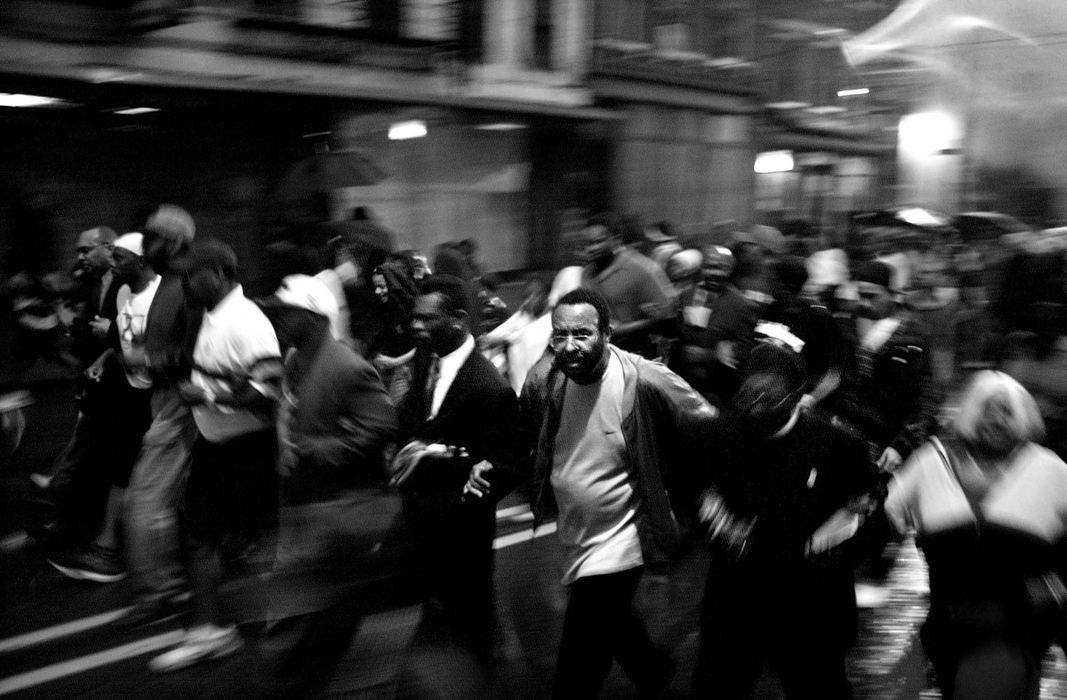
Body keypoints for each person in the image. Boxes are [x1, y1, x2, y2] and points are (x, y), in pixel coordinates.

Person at [512, 287, 718, 699]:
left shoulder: (644, 380)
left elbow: (711, 429)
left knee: (580, 658)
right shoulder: (545, 379)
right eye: (559, 335)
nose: (568, 347)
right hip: (577, 533)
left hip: (626, 538)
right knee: (612, 619)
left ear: (607, 332)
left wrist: (698, 501)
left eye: (582, 334)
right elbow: (520, 435)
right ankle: (653, 670)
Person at [691, 337, 878, 698]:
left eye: (769, 400)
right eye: (750, 398)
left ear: (796, 396)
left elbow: (867, 506)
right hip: (737, 596)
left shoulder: (837, 446)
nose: (757, 409)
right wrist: (722, 531)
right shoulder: (716, 436)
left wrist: (831, 552)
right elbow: (697, 494)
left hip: (811, 602)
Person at [257, 274, 403, 697]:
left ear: (316, 317)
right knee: (311, 594)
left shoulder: (347, 367)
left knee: (321, 599)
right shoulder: (296, 359)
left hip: (338, 503)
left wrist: (317, 449)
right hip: (306, 499)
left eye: (287, 314)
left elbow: (381, 427)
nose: (279, 321)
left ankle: (304, 675)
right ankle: (300, 669)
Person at [885, 371, 1067, 699]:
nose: (997, 420)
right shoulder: (932, 461)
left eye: (1007, 411)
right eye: (988, 409)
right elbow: (886, 510)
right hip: (947, 628)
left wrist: (1055, 586)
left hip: (1013, 634)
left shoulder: (1050, 468)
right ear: (970, 413)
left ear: (1024, 418)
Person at [148, 240, 282, 672]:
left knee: (239, 542)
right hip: (217, 446)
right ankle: (215, 630)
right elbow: (220, 374)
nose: (184, 282)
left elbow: (269, 391)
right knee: (203, 537)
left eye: (192, 274)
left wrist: (205, 394)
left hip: (247, 451)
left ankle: (252, 633)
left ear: (220, 274)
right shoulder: (210, 317)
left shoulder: (246, 322)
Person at [393, 274, 523, 672]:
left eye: (427, 319)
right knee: (437, 610)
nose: (416, 326)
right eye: (415, 318)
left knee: (470, 620)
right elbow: (418, 419)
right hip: (421, 519)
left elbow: (507, 463)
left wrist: (458, 493)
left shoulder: (489, 387)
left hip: (462, 530)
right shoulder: (423, 357)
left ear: (459, 320)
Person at [46, 233, 154, 582]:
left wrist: (112, 342)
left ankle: (123, 556)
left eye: (120, 256)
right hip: (120, 389)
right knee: (115, 465)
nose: (115, 261)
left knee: (128, 470)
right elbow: (126, 343)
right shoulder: (122, 291)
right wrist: (107, 355)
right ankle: (104, 544)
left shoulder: (153, 296)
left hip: (148, 397)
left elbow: (152, 349)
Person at [121, 204, 201, 624]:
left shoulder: (186, 284)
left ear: (170, 242)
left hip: (178, 407)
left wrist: (148, 360)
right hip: (168, 404)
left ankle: (160, 593)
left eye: (149, 236)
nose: (143, 243)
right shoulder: (172, 282)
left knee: (145, 501)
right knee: (165, 504)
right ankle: (171, 586)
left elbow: (195, 352)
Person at [827, 260, 941, 473]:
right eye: (861, 295)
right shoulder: (847, 329)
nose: (865, 303)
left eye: (872, 296)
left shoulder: (912, 337)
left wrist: (902, 445)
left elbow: (926, 397)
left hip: (888, 444)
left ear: (892, 295)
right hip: (849, 440)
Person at [669, 244, 758, 407]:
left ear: (730, 270)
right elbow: (678, 333)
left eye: (721, 268)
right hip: (684, 384)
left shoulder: (743, 306)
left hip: (719, 389)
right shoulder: (687, 295)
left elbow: (746, 350)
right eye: (710, 267)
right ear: (702, 268)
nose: (715, 273)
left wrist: (708, 355)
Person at [579, 213, 676, 358]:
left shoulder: (642, 268)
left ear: (615, 240)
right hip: (600, 356)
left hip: (635, 355)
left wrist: (638, 325)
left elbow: (667, 318)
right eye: (588, 243)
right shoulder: (587, 273)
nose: (591, 248)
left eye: (598, 242)